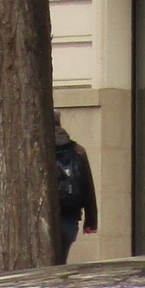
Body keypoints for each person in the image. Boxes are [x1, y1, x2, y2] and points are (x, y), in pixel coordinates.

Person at [52, 114, 98, 265]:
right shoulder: (78, 150)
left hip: (44, 215)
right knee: (60, 261)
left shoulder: (36, 149)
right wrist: (91, 221)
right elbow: (87, 186)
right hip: (70, 217)